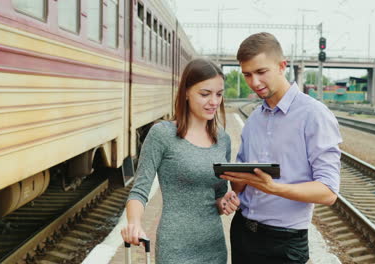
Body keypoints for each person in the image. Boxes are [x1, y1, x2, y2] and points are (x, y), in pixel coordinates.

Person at [220, 32, 342, 264]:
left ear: (282, 66)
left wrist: (273, 187)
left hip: (284, 243)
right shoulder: (254, 119)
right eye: (247, 74)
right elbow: (240, 187)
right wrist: (235, 180)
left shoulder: (314, 115)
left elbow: (328, 192)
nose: (254, 82)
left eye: (261, 72)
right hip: (242, 232)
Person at [121, 58, 240, 264]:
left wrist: (225, 203)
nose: (214, 101)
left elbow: (218, 197)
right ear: (186, 92)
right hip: (175, 249)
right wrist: (134, 223)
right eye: (205, 94)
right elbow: (139, 191)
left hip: (214, 248)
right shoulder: (162, 134)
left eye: (219, 94)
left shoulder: (223, 139)